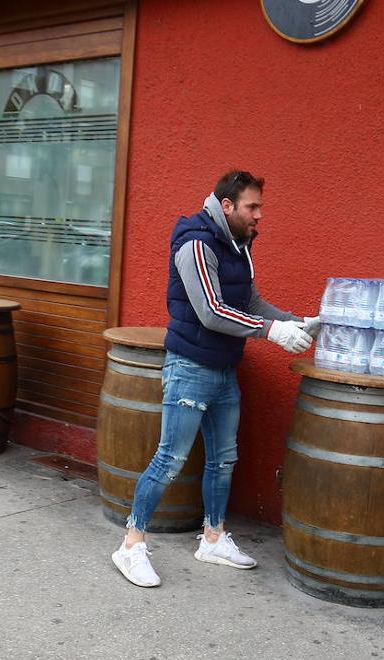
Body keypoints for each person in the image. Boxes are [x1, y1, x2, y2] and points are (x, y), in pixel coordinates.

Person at [111, 170, 318, 587]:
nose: (260, 215)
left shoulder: (238, 245)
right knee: (169, 460)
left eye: (260, 206)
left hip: (224, 369)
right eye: (252, 207)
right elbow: (211, 310)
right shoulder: (196, 243)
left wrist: (296, 321)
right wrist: (272, 332)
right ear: (227, 206)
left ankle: (212, 537)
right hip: (189, 368)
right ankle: (131, 546)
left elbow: (251, 301)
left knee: (223, 461)